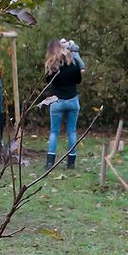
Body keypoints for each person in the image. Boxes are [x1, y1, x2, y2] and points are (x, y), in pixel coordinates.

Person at [43, 39, 82, 169]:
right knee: (71, 131)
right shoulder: (73, 62)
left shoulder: (52, 65)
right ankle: (71, 163)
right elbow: (79, 80)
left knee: (54, 132)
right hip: (72, 100)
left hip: (57, 101)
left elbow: (48, 81)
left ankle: (50, 162)